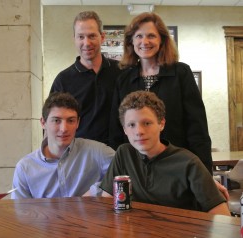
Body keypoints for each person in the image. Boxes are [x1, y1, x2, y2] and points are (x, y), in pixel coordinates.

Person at [109, 12, 213, 174]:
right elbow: (116, 129)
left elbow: (197, 127)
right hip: (136, 168)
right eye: (139, 36)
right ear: (131, 41)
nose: (144, 41)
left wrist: (206, 173)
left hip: (177, 165)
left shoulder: (181, 73)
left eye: (151, 36)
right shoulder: (123, 79)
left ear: (162, 40)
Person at [100, 91, 230, 216]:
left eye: (147, 123)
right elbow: (107, 203)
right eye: (131, 125)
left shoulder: (188, 163)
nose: (139, 131)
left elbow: (222, 216)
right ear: (124, 130)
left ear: (161, 124)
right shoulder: (124, 154)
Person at [11, 92, 114, 199]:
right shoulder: (25, 168)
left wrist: (94, 192)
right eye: (56, 120)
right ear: (43, 122)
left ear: (78, 123)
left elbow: (126, 172)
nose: (64, 129)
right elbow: (20, 212)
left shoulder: (98, 152)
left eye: (71, 120)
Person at [50, 11, 122, 145]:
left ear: (102, 37)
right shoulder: (63, 80)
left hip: (118, 156)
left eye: (92, 36)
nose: (86, 43)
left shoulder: (121, 72)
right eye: (81, 37)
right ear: (74, 39)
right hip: (79, 157)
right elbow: (52, 122)